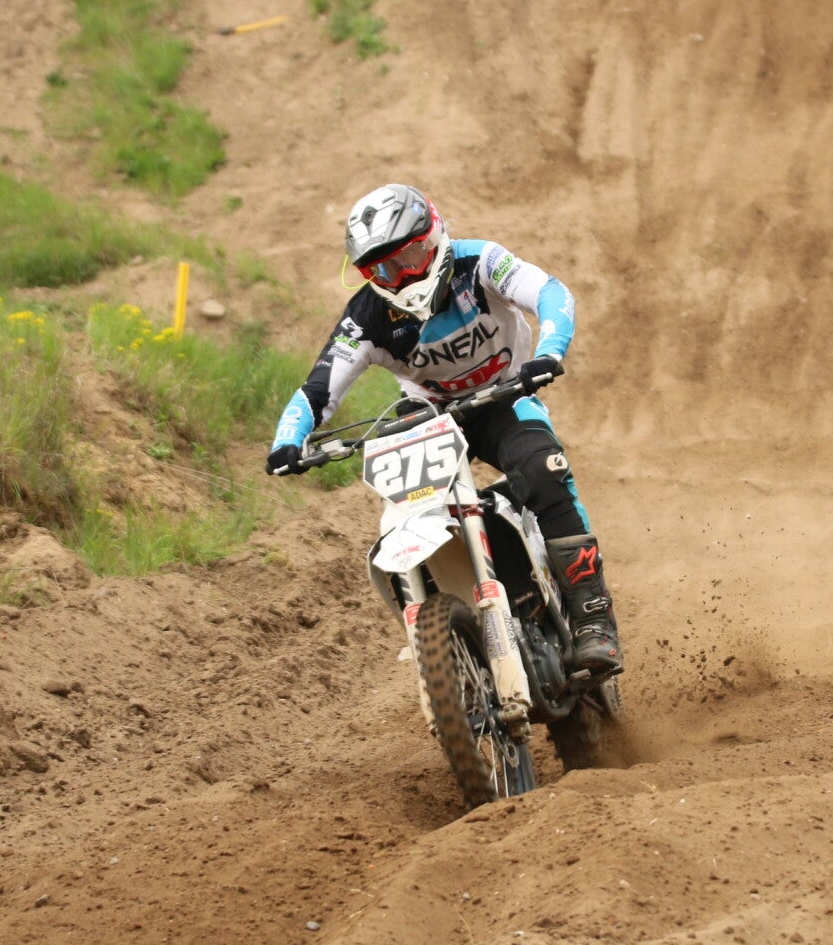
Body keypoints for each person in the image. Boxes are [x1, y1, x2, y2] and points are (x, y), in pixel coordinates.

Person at [266, 183, 622, 676]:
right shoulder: (365, 317)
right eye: (382, 269)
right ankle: (443, 631)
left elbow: (550, 292)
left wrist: (549, 352)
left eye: (409, 256)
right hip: (430, 420)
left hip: (505, 398)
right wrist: (287, 440)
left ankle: (592, 618)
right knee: (408, 519)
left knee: (543, 470)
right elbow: (317, 389)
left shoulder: (481, 261)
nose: (401, 276)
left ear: (434, 235)